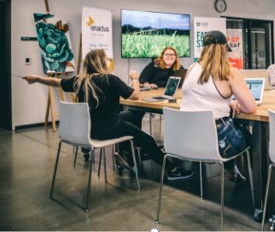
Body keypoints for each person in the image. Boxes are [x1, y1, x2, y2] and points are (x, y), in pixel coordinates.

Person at [23, 49, 193, 181]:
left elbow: (55, 81)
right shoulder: (109, 79)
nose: (108, 61)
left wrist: (36, 78)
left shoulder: (79, 80)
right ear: (100, 63)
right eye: (107, 59)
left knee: (132, 115)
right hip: (108, 128)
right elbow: (134, 95)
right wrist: (134, 78)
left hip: (89, 129)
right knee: (147, 139)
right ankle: (173, 170)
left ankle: (128, 157)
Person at [180, 30, 257, 181]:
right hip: (215, 142)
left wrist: (228, 103)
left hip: (187, 138)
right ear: (223, 48)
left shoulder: (191, 68)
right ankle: (254, 183)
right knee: (251, 138)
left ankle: (233, 170)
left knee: (228, 126)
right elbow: (250, 108)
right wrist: (233, 102)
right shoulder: (228, 72)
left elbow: (203, 97)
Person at [129, 46, 185, 129]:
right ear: (162, 56)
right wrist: (147, 84)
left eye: (172, 54)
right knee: (136, 112)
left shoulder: (179, 67)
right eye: (167, 54)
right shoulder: (154, 64)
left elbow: (183, 80)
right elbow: (142, 78)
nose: (169, 56)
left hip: (171, 94)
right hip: (153, 94)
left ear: (176, 57)